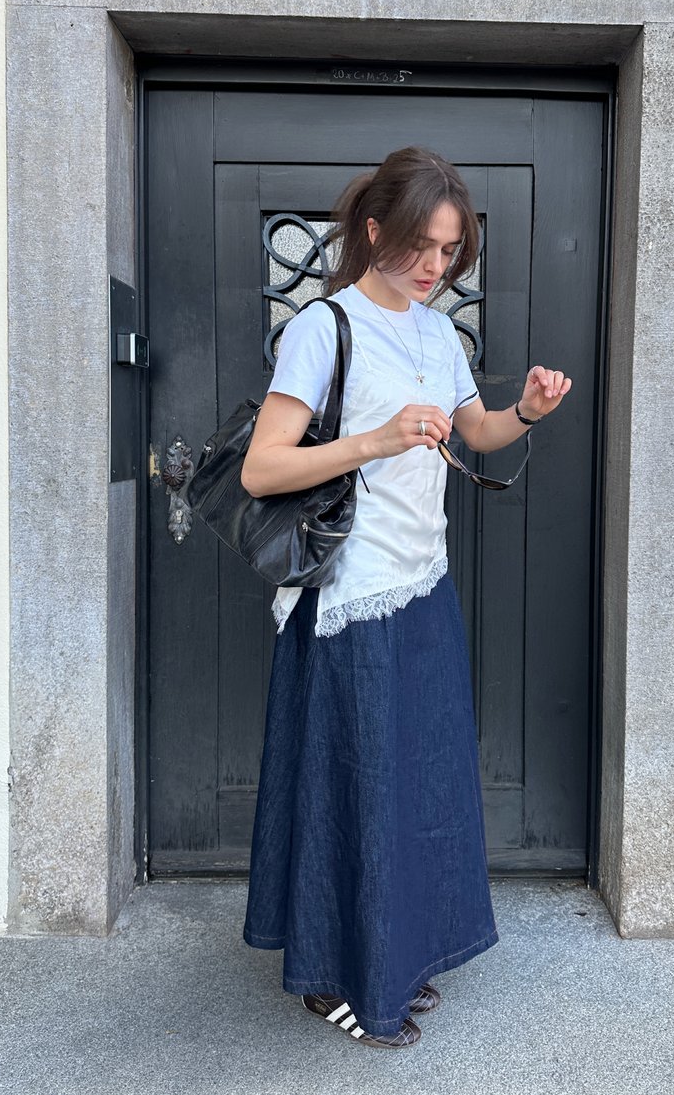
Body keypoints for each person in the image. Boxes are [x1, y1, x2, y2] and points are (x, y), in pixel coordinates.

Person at [241, 146, 571, 1048]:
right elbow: (262, 465)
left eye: (450, 251)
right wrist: (374, 439)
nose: (435, 266)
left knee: (413, 786)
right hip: (347, 598)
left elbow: (479, 432)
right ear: (375, 229)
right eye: (422, 245)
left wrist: (529, 411)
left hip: (423, 587)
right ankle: (332, 973)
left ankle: (391, 954)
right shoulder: (325, 326)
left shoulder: (437, 334)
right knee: (350, 787)